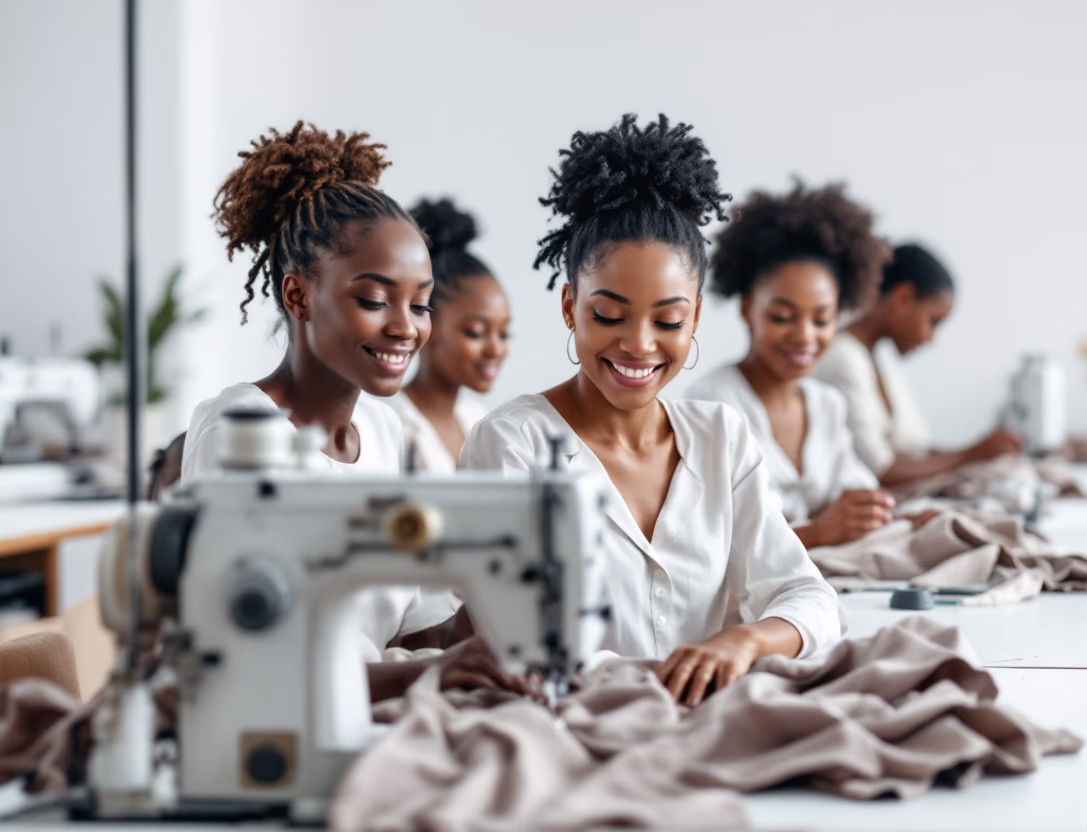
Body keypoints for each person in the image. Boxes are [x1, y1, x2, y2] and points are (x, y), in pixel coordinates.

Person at [460, 114, 842, 707]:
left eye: (668, 321)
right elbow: (520, 639)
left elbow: (809, 598)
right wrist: (669, 684)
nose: (639, 345)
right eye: (609, 315)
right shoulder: (512, 445)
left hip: (706, 723)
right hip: (580, 725)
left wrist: (743, 641)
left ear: (695, 318)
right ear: (570, 307)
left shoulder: (721, 437)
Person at [180, 122, 511, 698]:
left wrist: (500, 609)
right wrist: (430, 671)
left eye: (421, 304)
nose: (407, 328)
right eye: (375, 300)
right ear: (298, 295)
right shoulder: (241, 430)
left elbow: (420, 629)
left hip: (370, 709)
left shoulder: (384, 431)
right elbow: (258, 658)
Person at [687, 182, 894, 547]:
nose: (804, 336)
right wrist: (816, 533)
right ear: (748, 309)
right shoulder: (712, 404)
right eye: (782, 317)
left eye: (822, 320)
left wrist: (888, 512)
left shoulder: (826, 404)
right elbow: (709, 539)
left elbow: (857, 492)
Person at [814, 243, 1022, 486]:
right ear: (902, 298)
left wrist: (982, 451)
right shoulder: (841, 358)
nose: (931, 338)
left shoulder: (881, 359)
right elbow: (881, 470)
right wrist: (972, 454)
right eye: (933, 322)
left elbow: (916, 448)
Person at [384, 197, 509, 472]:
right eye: (476, 332)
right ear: (427, 325)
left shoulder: (477, 419)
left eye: (504, 334)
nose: (496, 349)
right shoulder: (390, 425)